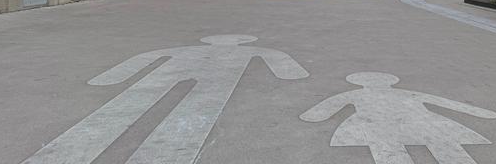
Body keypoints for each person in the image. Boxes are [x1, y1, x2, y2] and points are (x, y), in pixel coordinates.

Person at [22, 35, 309, 164]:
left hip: (162, 82)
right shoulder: (247, 52)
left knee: (117, 113)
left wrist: (112, 77)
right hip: (211, 91)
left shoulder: (183, 52)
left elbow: (144, 60)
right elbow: (287, 71)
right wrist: (290, 71)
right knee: (185, 127)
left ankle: (74, 149)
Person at [300, 72, 496, 164]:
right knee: (443, 144)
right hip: (423, 123)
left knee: (390, 150)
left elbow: (323, 111)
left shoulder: (356, 94)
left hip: (376, 126)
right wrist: (480, 112)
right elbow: (441, 102)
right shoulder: (406, 94)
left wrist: (314, 115)